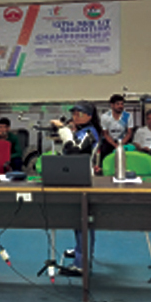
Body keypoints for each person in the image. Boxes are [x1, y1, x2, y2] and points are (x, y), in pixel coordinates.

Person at [51, 101, 100, 277]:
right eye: (74, 113)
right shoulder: (81, 131)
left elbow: (74, 151)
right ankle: (80, 250)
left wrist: (64, 131)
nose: (75, 117)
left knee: (84, 222)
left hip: (83, 180)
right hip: (76, 178)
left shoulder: (89, 132)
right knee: (78, 220)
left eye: (79, 114)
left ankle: (81, 263)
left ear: (89, 116)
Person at [100, 94, 134, 159]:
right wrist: (114, 145)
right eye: (118, 104)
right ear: (112, 105)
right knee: (104, 150)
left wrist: (121, 144)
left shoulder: (128, 116)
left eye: (122, 104)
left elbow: (129, 133)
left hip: (123, 141)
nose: (120, 106)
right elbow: (105, 134)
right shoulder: (105, 117)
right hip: (110, 141)